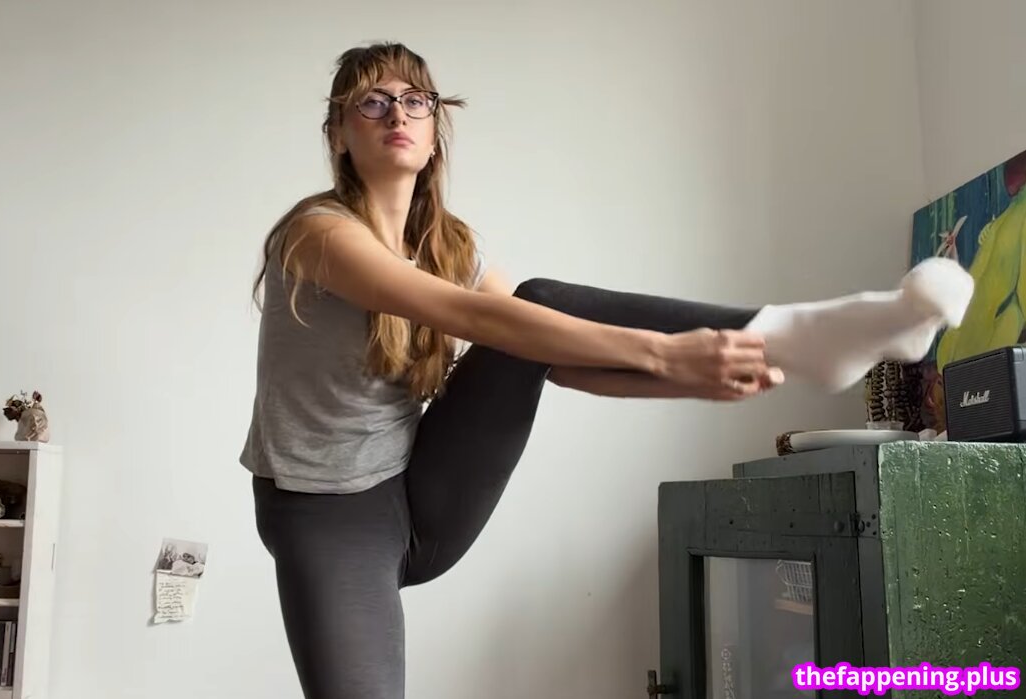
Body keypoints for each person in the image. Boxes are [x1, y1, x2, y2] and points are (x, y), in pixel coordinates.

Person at [240, 42, 973, 699]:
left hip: (423, 489)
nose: (396, 113)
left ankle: (797, 335)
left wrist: (693, 378)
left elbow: (558, 359)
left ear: (435, 131)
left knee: (540, 303)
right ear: (338, 133)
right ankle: (794, 335)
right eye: (371, 102)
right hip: (327, 514)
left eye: (414, 99)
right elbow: (471, 317)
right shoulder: (316, 233)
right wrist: (665, 354)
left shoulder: (452, 246)